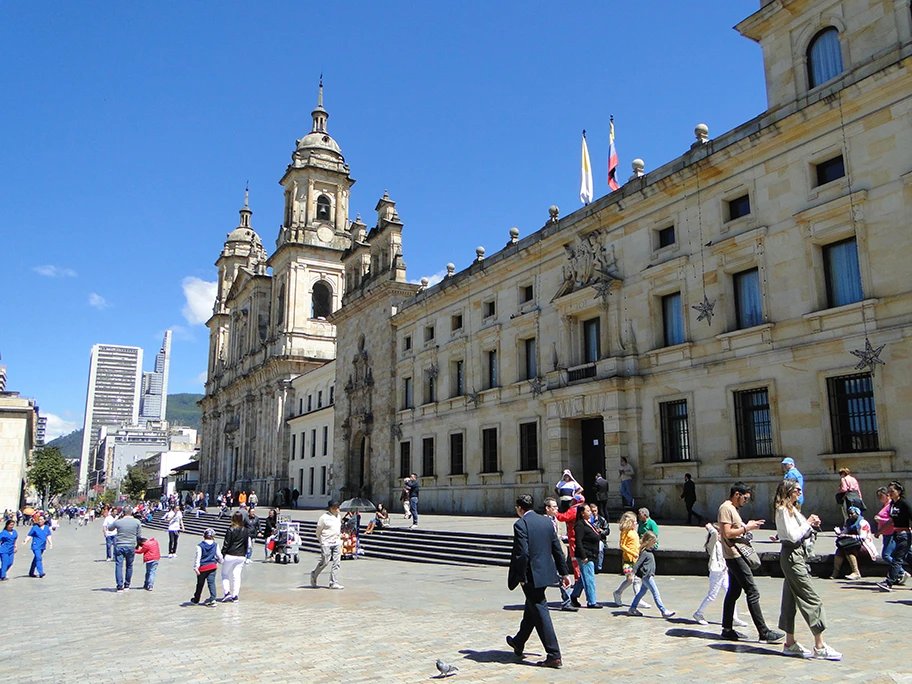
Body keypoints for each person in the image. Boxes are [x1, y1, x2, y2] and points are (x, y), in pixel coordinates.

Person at [774, 479, 842, 659]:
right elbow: (792, 536)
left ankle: (789, 643)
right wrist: (808, 523)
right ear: (788, 491)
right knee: (811, 599)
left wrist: (811, 525)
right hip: (792, 557)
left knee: (790, 599)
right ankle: (820, 646)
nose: (800, 492)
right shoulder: (782, 510)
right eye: (797, 489)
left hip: (797, 556)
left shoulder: (793, 510)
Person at [506, 494, 572, 669]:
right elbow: (557, 549)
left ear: (520, 508)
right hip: (546, 574)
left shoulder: (521, 524)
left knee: (540, 608)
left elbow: (522, 554)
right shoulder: (546, 522)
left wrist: (520, 577)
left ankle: (554, 654)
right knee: (532, 608)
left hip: (531, 576)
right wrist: (564, 573)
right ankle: (519, 642)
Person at [718, 481, 784, 643]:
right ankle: (763, 632)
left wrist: (747, 526)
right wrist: (748, 528)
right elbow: (727, 533)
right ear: (737, 494)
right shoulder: (726, 508)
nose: (746, 501)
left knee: (734, 591)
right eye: (745, 498)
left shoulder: (732, 509)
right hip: (735, 555)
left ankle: (727, 629)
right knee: (752, 591)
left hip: (735, 555)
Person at [693, 523, 746, 627]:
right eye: (720, 533)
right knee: (712, 595)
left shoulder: (722, 543)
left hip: (723, 571)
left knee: (730, 592)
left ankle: (733, 617)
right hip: (716, 571)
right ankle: (698, 613)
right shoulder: (712, 544)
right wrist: (710, 527)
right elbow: (713, 533)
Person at [627, 531, 675, 618]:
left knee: (641, 593)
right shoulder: (645, 553)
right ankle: (663, 610)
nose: (655, 544)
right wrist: (632, 574)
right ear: (648, 541)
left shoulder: (648, 552)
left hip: (649, 576)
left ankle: (632, 608)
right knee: (656, 593)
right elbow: (637, 564)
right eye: (653, 542)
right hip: (647, 576)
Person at [878, 481, 912, 592]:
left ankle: (889, 582)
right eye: (888, 492)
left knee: (897, 558)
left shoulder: (904, 504)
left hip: (904, 535)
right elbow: (892, 520)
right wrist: (880, 531)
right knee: (909, 557)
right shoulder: (893, 504)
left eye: (892, 491)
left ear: (899, 491)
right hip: (896, 534)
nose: (890, 494)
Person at [612, 511, 649, 608]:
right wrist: (632, 553)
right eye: (635, 522)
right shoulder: (625, 532)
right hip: (628, 560)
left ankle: (638, 599)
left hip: (636, 559)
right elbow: (622, 545)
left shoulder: (634, 532)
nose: (636, 523)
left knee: (636, 580)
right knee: (630, 579)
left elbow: (636, 543)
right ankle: (618, 593)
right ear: (629, 522)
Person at [828, 506, 877, 580]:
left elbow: (862, 537)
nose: (850, 515)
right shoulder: (848, 522)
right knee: (840, 549)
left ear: (857, 513)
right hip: (852, 544)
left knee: (849, 549)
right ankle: (836, 572)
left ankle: (856, 572)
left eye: (852, 514)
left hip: (865, 546)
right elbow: (844, 532)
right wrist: (839, 533)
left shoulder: (863, 523)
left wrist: (849, 536)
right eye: (849, 514)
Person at [106, 506, 142, 592]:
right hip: (131, 545)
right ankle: (127, 585)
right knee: (129, 566)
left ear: (123, 512)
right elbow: (139, 535)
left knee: (119, 565)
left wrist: (118, 518)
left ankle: (119, 586)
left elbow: (109, 528)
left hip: (119, 545)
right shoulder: (137, 522)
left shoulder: (118, 522)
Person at [573, 504, 602, 608]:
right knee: (589, 578)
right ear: (582, 513)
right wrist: (583, 556)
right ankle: (592, 601)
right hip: (585, 555)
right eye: (588, 510)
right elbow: (578, 541)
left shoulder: (589, 523)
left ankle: (574, 595)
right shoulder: (579, 525)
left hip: (592, 553)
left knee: (584, 577)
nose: (590, 512)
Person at [310, 501, 343, 590]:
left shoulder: (338, 517)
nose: (338, 509)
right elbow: (318, 532)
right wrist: (322, 541)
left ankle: (333, 583)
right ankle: (314, 574)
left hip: (337, 542)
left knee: (337, 563)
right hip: (326, 543)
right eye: (337, 507)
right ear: (332, 508)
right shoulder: (323, 518)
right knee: (325, 562)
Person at [220, 511, 250, 602]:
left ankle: (227, 592)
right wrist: (244, 554)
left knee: (225, 574)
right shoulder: (245, 530)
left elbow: (226, 544)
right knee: (237, 576)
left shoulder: (230, 529)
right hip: (241, 555)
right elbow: (246, 544)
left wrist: (222, 554)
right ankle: (235, 595)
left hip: (230, 554)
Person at [191, 528, 223, 606]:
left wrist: (196, 567)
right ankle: (213, 599)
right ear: (213, 536)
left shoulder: (200, 546)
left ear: (204, 536)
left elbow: (198, 557)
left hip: (202, 568)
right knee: (211, 583)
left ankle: (196, 599)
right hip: (212, 566)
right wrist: (220, 561)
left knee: (200, 584)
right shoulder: (215, 545)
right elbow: (219, 555)